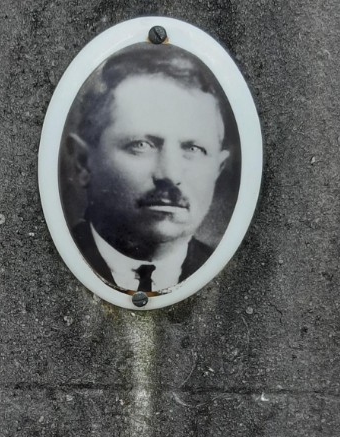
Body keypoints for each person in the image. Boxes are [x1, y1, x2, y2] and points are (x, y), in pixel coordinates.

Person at [63, 43, 234, 294]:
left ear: (217, 169)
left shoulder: (232, 286)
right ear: (82, 162)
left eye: (194, 149)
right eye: (141, 145)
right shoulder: (49, 265)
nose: (170, 174)